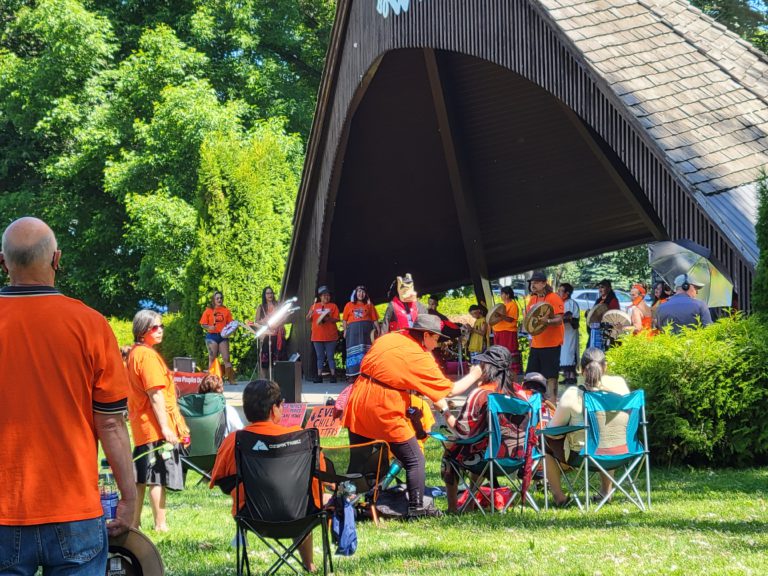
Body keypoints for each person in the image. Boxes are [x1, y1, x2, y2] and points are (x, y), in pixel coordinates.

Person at [0, 216, 136, 575]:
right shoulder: (90, 325)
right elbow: (110, 423)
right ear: (57, 260)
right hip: (75, 510)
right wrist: (129, 496)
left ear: (3, 262)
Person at [342, 315, 483, 517]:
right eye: (436, 339)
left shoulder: (389, 338)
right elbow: (450, 390)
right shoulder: (419, 356)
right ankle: (417, 508)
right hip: (383, 404)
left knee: (359, 458)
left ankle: (347, 504)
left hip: (358, 398)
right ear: (426, 335)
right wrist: (475, 375)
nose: (436, 345)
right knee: (414, 459)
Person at [210, 380, 321, 572]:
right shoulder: (301, 438)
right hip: (301, 517)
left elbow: (220, 480)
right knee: (303, 495)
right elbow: (321, 477)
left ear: (246, 411)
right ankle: (309, 565)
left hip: (252, 518)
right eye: (281, 404)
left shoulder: (235, 441)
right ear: (273, 409)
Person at [434, 346, 520, 513]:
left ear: (487, 367)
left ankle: (453, 508)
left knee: (453, 451)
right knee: (480, 444)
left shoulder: (480, 394)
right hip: (516, 458)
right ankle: (470, 502)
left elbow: (463, 432)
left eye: (481, 363)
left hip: (486, 460)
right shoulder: (518, 392)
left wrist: (444, 410)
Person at [126, 310, 191, 531]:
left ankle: (133, 523)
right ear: (143, 331)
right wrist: (166, 428)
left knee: (141, 478)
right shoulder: (148, 356)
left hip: (142, 425)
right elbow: (155, 394)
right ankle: (160, 524)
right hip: (153, 426)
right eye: (155, 327)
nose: (160, 329)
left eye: (161, 326)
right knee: (156, 477)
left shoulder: (136, 353)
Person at [544, 348, 630, 507]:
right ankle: (606, 491)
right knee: (608, 434)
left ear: (581, 369)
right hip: (622, 451)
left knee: (543, 443)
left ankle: (559, 497)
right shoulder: (620, 386)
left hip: (583, 456)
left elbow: (551, 430)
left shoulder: (573, 394)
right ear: (606, 367)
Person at [525, 271, 565, 401]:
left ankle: (553, 405)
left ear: (544, 283)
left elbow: (559, 319)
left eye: (536, 282)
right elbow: (528, 321)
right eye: (532, 282)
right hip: (536, 345)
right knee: (532, 377)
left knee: (550, 377)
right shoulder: (532, 299)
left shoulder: (554, 297)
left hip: (551, 345)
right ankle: (535, 406)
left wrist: (547, 321)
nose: (533, 285)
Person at [342, 285, 379, 380]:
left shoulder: (369, 305)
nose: (361, 294)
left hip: (366, 333)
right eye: (359, 292)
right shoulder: (349, 305)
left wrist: (378, 331)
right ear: (355, 293)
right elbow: (345, 320)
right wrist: (345, 330)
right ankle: (352, 375)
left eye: (363, 292)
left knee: (365, 351)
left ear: (365, 294)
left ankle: (366, 373)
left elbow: (375, 320)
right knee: (353, 352)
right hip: (352, 333)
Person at [306, 285, 340, 383]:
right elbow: (308, 319)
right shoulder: (314, 306)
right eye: (324, 295)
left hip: (331, 336)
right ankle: (319, 375)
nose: (326, 297)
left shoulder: (333, 306)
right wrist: (310, 314)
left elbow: (337, 319)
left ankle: (333, 375)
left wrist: (328, 318)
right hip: (317, 336)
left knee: (330, 356)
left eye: (328, 295)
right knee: (319, 357)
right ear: (320, 296)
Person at [199, 290, 235, 382]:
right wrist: (209, 327)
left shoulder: (226, 311)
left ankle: (231, 379)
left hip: (223, 337)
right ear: (213, 300)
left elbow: (231, 324)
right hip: (212, 336)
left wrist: (232, 330)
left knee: (226, 358)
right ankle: (211, 379)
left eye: (221, 298)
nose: (219, 300)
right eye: (217, 298)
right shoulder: (208, 310)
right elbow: (203, 324)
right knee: (212, 358)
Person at [491, 286, 523, 381]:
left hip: (508, 332)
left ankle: (513, 377)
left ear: (507, 295)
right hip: (500, 332)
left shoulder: (512, 305)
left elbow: (511, 319)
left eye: (502, 294)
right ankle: (502, 376)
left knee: (510, 353)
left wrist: (501, 316)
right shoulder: (503, 306)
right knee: (500, 354)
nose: (501, 295)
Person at [254, 286, 286, 376]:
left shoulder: (278, 305)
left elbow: (284, 317)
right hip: (266, 336)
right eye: (267, 293)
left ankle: (277, 380)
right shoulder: (261, 307)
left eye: (271, 293)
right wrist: (263, 321)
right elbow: (256, 322)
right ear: (264, 295)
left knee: (277, 359)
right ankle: (264, 380)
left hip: (277, 335)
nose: (270, 295)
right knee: (264, 359)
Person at [557, 283, 580, 385]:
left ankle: (572, 377)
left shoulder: (572, 303)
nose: (559, 292)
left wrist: (565, 318)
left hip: (569, 333)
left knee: (569, 352)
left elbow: (574, 318)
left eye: (561, 291)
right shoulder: (559, 303)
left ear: (567, 293)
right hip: (561, 332)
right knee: (563, 353)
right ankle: (567, 376)